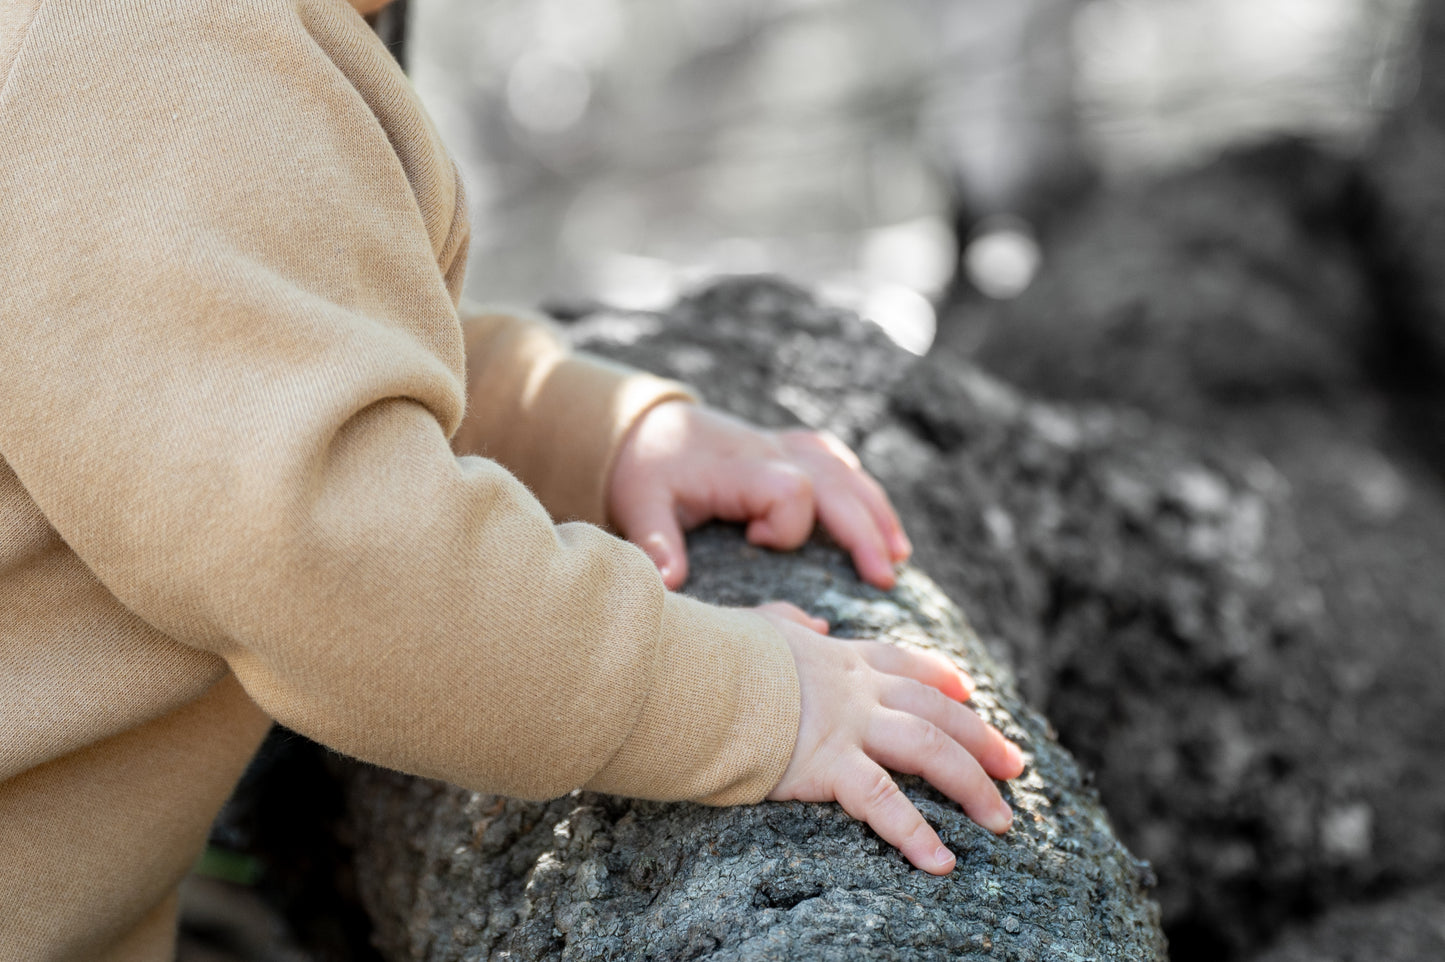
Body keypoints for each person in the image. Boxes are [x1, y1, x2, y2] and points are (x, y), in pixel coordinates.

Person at [0, 1, 1025, 958]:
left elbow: (289, 328)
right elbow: (340, 563)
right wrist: (744, 697)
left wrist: (602, 433)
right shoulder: (140, 48)